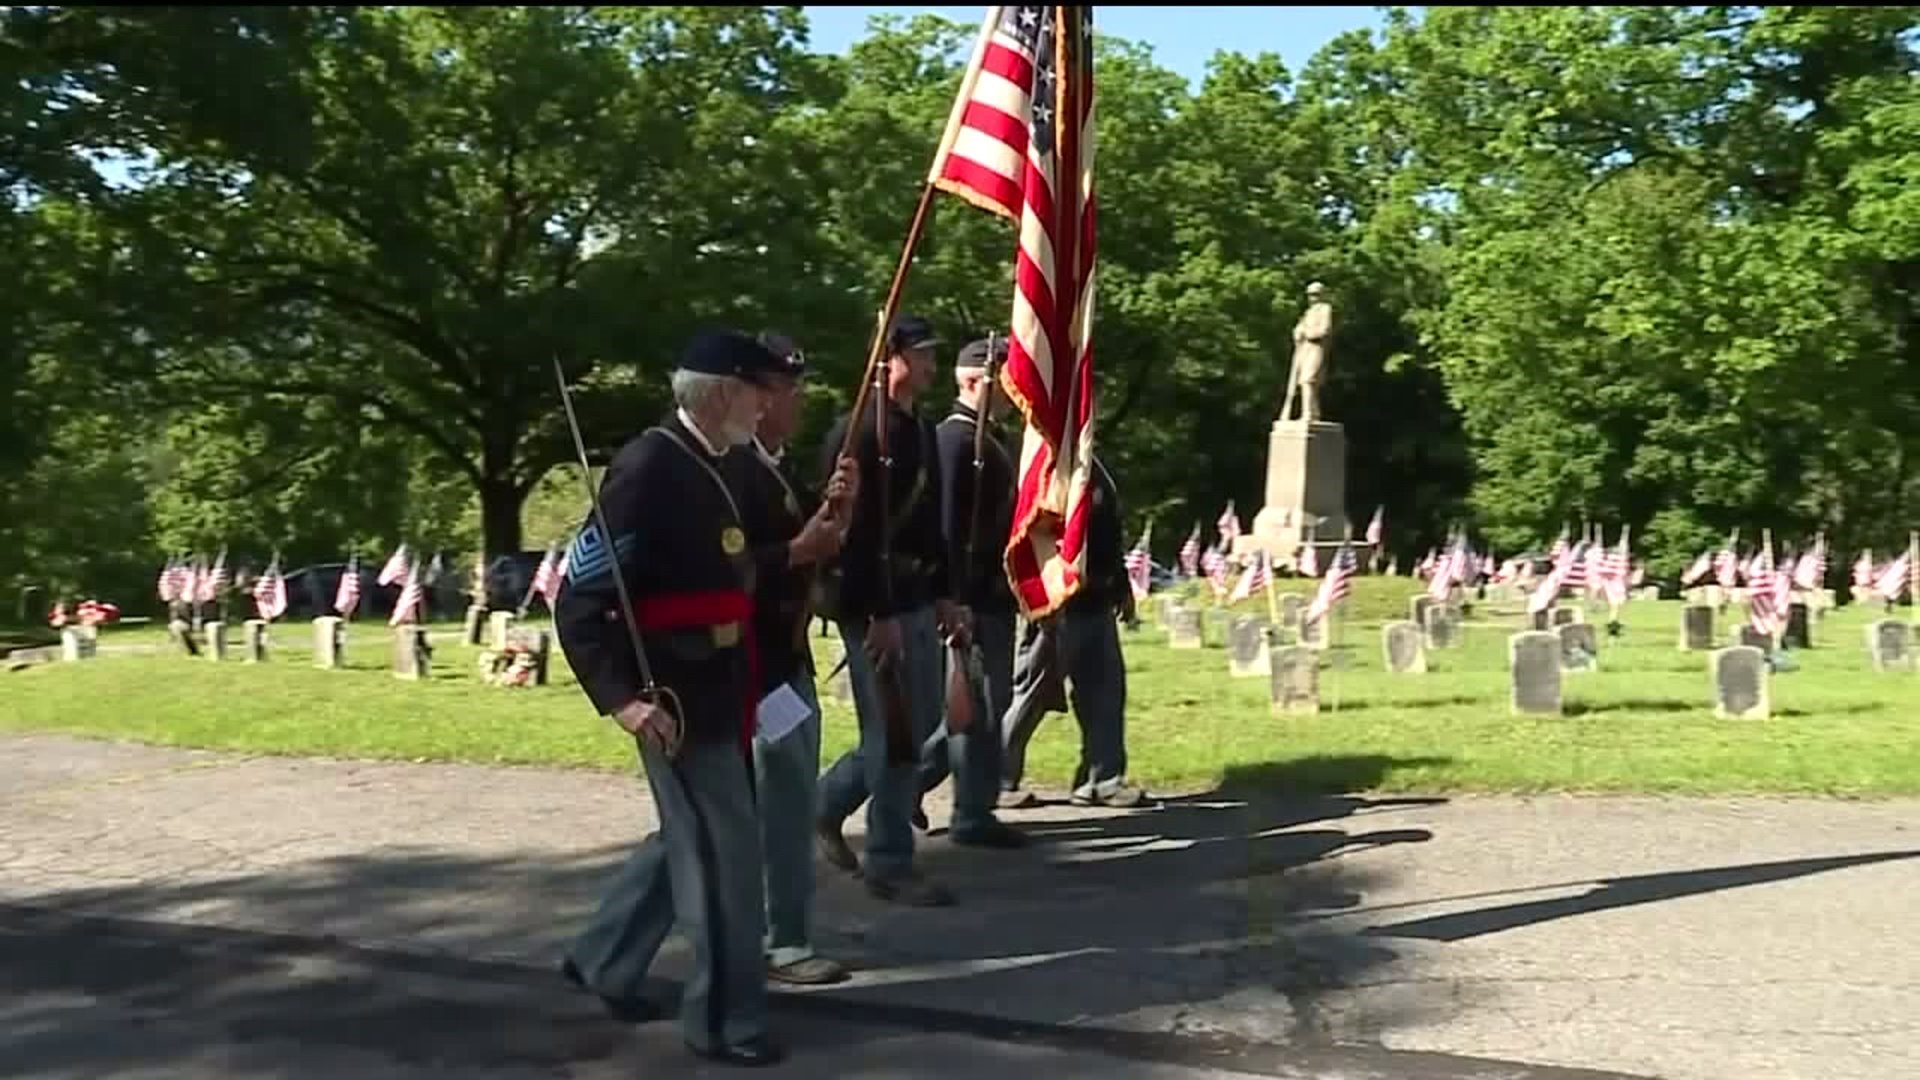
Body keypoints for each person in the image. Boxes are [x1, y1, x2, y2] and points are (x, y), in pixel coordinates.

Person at [555, 329, 840, 1069]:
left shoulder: (725, 466)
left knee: (694, 844)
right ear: (719, 394)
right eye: (755, 388)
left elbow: (746, 566)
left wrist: (810, 541)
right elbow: (580, 598)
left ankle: (607, 959)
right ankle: (721, 1021)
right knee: (725, 865)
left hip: (729, 687)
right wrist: (621, 700)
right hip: (675, 700)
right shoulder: (648, 467)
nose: (767, 400)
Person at [813, 314, 970, 907]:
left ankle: (824, 805)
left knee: (916, 725)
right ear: (892, 357)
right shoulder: (859, 432)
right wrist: (876, 611)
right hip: (872, 605)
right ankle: (889, 861)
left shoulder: (919, 431)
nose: (931, 364)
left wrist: (947, 593)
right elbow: (852, 533)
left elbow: (933, 526)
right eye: (923, 353)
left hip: (913, 597)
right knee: (894, 736)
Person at [728, 331, 856, 986]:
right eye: (786, 389)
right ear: (757, 394)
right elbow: (743, 567)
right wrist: (804, 549)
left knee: (785, 801)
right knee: (776, 807)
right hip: (758, 670)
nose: (798, 401)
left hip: (788, 660)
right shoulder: (735, 471)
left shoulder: (776, 468)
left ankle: (782, 931)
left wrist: (839, 508)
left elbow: (815, 546)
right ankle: (783, 942)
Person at [910, 336, 1028, 848]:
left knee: (982, 704)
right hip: (972, 596)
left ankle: (910, 785)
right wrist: (953, 597)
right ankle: (968, 811)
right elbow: (949, 529)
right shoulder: (955, 442)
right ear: (974, 380)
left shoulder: (989, 441)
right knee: (974, 707)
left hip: (993, 593)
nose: (1010, 393)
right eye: (1002, 382)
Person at [998, 454, 1150, 809]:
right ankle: (997, 778)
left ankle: (1101, 779)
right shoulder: (1045, 467)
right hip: (1059, 605)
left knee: (1106, 692)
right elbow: (1035, 536)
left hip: (1097, 601)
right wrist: (1043, 600)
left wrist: (1121, 587)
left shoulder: (1094, 466)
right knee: (1030, 695)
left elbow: (1106, 535)